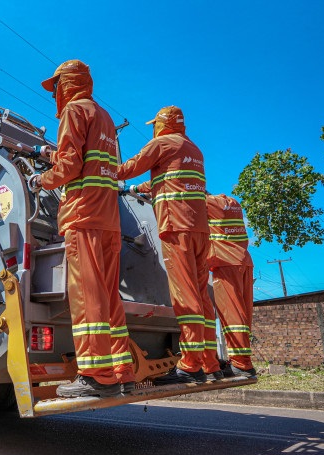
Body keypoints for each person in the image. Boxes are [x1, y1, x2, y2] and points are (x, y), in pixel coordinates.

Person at [30, 59, 136, 398]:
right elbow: (95, 162)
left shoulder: (73, 112)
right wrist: (57, 154)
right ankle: (122, 369)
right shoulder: (102, 116)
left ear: (67, 84)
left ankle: (94, 375)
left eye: (55, 88)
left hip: (83, 214)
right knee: (107, 296)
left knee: (86, 294)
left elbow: (71, 165)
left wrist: (40, 181)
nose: (54, 96)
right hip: (108, 217)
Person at [120, 106, 222, 384]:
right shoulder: (193, 150)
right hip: (199, 229)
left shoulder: (161, 143)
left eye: (155, 124)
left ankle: (189, 365)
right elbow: (172, 180)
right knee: (201, 297)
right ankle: (210, 363)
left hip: (176, 227)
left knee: (185, 296)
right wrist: (138, 189)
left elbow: (130, 167)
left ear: (161, 124)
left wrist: (104, 172)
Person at [206, 193, 257, 378]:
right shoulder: (232, 203)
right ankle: (244, 362)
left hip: (225, 263)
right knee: (243, 314)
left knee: (231, 315)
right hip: (244, 260)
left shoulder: (207, 203)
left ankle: (240, 364)